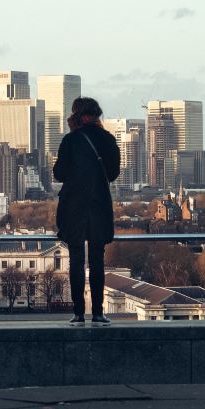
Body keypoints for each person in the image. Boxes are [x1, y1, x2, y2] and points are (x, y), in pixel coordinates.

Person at [53, 97, 120, 326]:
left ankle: (79, 313)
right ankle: (99, 313)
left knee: (76, 261)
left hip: (74, 207)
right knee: (97, 261)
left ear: (77, 115)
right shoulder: (108, 140)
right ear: (96, 114)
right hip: (99, 205)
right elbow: (112, 174)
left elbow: (59, 174)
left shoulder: (70, 141)